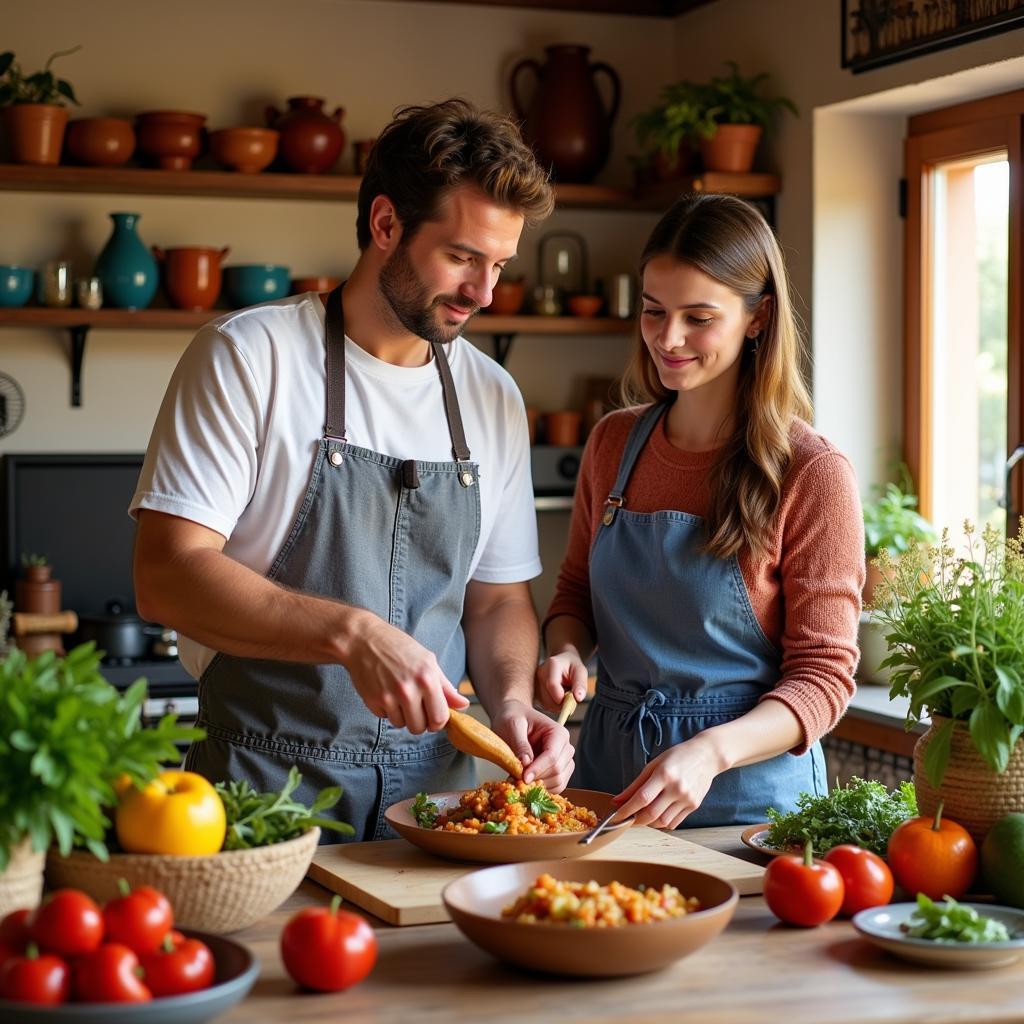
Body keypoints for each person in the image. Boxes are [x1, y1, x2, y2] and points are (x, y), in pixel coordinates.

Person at [130, 98, 574, 843]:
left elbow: (498, 601)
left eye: (499, 265)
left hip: (437, 802)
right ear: (385, 225)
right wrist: (351, 633)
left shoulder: (491, 396)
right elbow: (165, 574)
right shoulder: (250, 358)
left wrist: (509, 706)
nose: (484, 294)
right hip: (264, 789)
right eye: (463, 257)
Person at [536, 192, 864, 830]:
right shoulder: (613, 443)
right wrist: (567, 649)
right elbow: (574, 591)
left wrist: (710, 751)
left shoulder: (812, 471)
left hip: (750, 803)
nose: (669, 338)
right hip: (608, 783)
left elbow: (824, 679)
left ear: (758, 317)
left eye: (698, 317)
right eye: (654, 312)